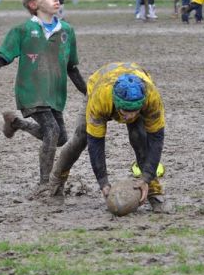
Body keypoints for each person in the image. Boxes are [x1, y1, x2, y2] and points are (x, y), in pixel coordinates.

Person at [0, 0, 86, 197]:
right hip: (31, 92)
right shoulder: (22, 30)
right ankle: (44, 184)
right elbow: (3, 57)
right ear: (33, 4)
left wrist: (89, 91)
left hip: (54, 95)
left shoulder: (67, 31)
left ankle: (16, 123)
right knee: (52, 131)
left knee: (60, 139)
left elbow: (72, 68)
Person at [46, 62, 168, 213]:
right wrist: (103, 182)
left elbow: (156, 141)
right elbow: (95, 143)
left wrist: (146, 178)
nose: (129, 117)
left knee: (140, 138)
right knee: (80, 138)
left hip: (136, 85)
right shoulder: (101, 98)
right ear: (117, 103)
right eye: (126, 111)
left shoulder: (151, 98)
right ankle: (56, 183)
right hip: (98, 84)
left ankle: (154, 193)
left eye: (134, 111)